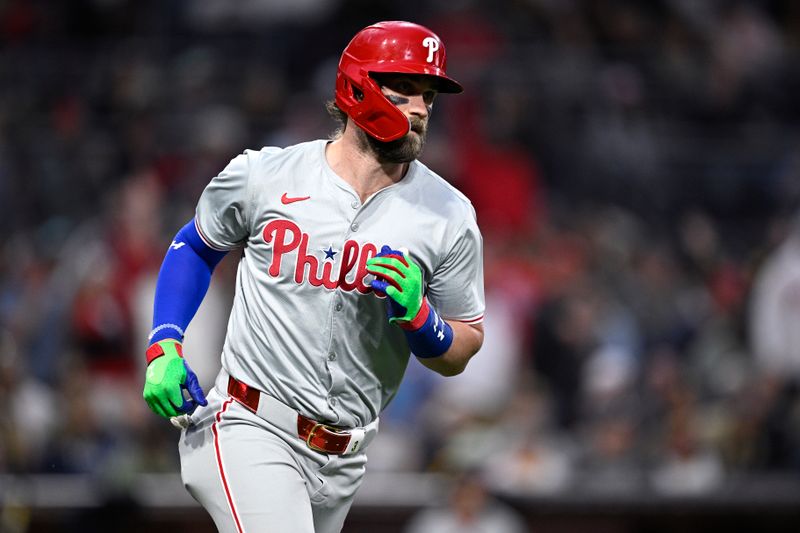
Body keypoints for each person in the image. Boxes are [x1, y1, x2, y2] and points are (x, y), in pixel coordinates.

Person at [141, 21, 485, 533]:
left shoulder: (448, 215)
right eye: (404, 92)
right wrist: (164, 343)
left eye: (429, 97)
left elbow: (465, 343)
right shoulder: (268, 176)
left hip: (345, 458)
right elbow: (196, 244)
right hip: (248, 422)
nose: (419, 110)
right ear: (356, 89)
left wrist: (422, 320)